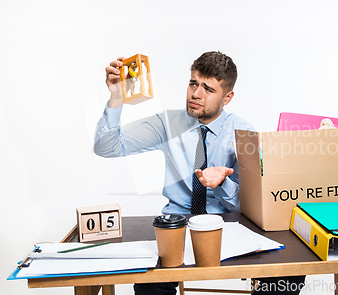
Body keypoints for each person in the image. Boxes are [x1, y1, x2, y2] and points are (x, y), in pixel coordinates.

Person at [94, 51, 305, 295]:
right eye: (193, 83)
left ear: (227, 97)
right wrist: (116, 100)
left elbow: (251, 203)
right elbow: (106, 147)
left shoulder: (244, 133)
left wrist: (222, 183)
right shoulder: (167, 124)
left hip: (229, 225)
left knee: (289, 271)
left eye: (208, 89)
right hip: (178, 226)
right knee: (148, 280)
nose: (196, 93)